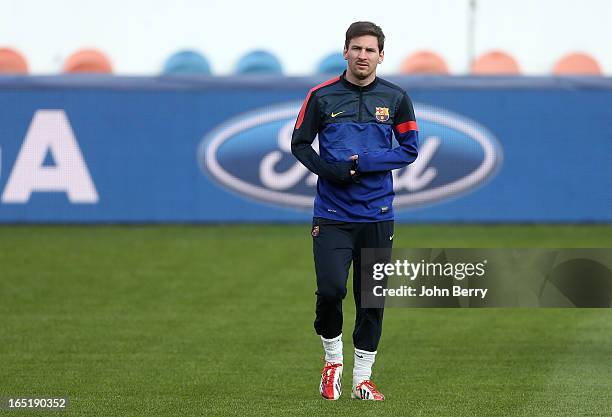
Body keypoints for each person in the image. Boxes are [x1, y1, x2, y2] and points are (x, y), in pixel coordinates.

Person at [291, 21, 419, 401]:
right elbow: (300, 144)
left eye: (370, 50)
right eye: (356, 48)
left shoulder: (396, 98)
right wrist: (329, 170)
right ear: (344, 51)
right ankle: (332, 361)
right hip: (331, 215)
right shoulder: (321, 96)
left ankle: (363, 378)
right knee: (331, 290)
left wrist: (364, 162)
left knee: (372, 299)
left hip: (378, 216)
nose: (363, 56)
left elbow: (410, 148)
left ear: (382, 55)